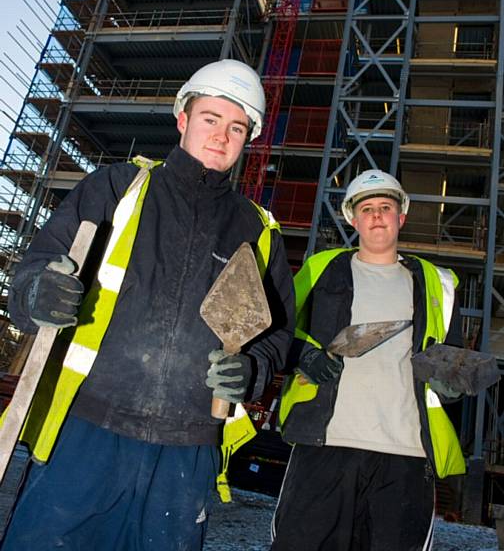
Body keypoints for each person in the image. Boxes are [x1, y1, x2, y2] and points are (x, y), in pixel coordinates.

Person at [1, 59, 295, 551]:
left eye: (236, 127)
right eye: (210, 119)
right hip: (87, 431)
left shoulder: (258, 231)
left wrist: (253, 370)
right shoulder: (118, 189)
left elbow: (275, 335)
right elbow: (36, 270)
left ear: (248, 139)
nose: (221, 136)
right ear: (183, 118)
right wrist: (38, 294)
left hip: (186, 451)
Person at [271, 169, 465, 551]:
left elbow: (453, 364)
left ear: (401, 217)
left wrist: (451, 385)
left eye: (386, 207)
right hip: (326, 444)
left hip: (405, 455)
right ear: (353, 219)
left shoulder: (437, 283)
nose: (377, 215)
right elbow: (276, 330)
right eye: (368, 208)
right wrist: (303, 355)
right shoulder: (322, 269)